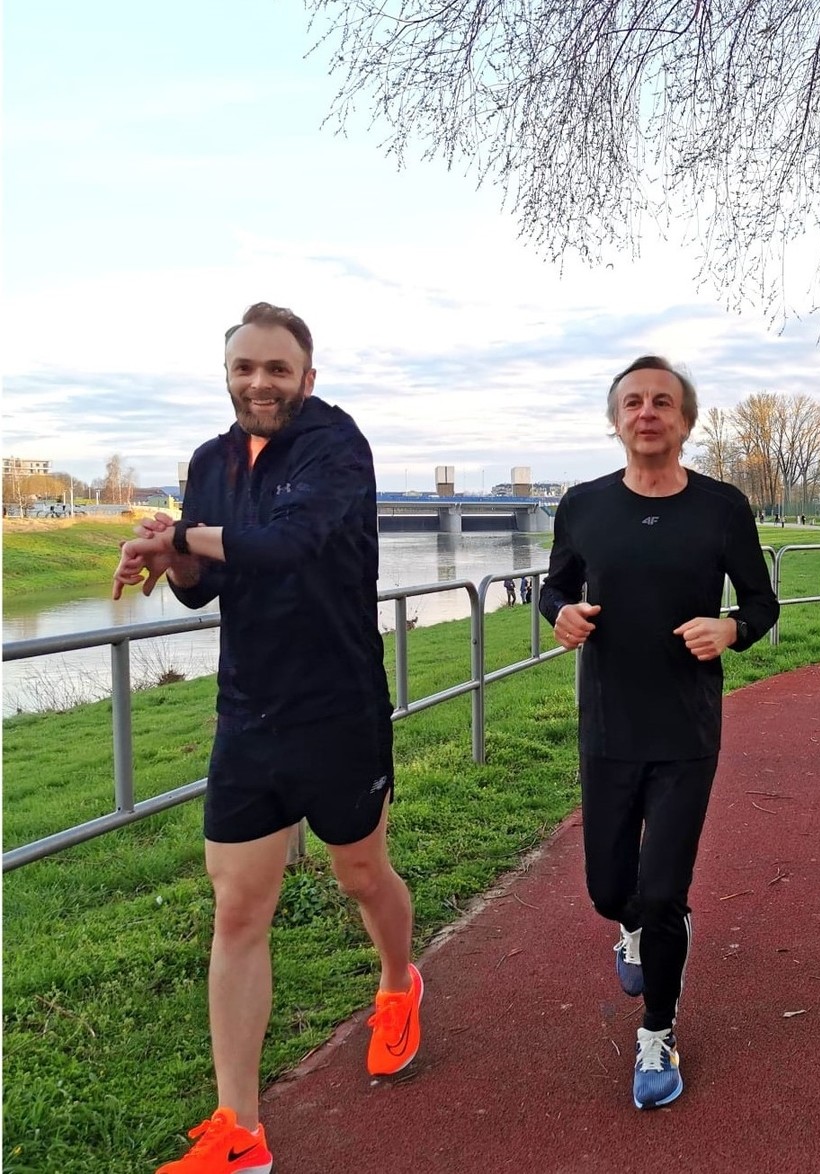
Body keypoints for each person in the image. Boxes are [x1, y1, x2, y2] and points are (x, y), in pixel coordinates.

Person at [113, 302, 423, 1174]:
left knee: (360, 874)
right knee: (239, 909)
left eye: (277, 369)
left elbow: (288, 546)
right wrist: (171, 558)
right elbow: (205, 585)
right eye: (245, 368)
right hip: (247, 712)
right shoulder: (210, 461)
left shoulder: (336, 445)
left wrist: (182, 535)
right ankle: (240, 1130)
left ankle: (398, 984)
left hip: (340, 708)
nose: (260, 383)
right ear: (227, 375)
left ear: (307, 378)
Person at [538, 355, 778, 1110]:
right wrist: (559, 613)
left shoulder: (722, 508)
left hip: (685, 728)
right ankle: (634, 928)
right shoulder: (582, 505)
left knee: (665, 889)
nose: (647, 413)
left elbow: (762, 603)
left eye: (662, 402)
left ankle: (658, 1030)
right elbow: (554, 586)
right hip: (608, 725)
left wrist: (730, 629)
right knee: (611, 890)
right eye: (634, 402)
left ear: (685, 420)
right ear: (616, 421)